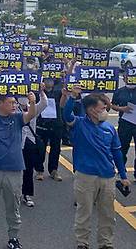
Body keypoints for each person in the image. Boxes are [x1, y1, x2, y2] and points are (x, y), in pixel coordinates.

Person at [64, 86, 130, 249]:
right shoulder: (79, 124)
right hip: (85, 176)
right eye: (103, 108)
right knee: (84, 212)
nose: (106, 110)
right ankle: (82, 243)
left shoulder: (109, 128)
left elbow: (117, 153)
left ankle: (106, 243)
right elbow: (66, 115)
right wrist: (72, 97)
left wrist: (123, 175)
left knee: (107, 214)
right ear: (92, 110)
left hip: (107, 177)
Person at [0, 91, 38, 249]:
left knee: (13, 206)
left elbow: (30, 115)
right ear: (0, 103)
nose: (14, 105)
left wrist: (32, 102)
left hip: (15, 169)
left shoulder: (17, 117)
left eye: (15, 103)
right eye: (11, 102)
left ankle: (13, 238)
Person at [19, 91, 48, 207]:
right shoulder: (12, 108)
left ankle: (26, 194)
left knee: (28, 169)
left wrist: (41, 91)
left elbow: (44, 103)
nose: (23, 98)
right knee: (13, 170)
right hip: (15, 142)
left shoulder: (33, 107)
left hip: (30, 141)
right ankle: (13, 193)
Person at [36, 78, 64, 181]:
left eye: (51, 80)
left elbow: (62, 104)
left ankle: (54, 170)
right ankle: (39, 170)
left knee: (56, 148)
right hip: (41, 124)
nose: (49, 82)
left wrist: (65, 94)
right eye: (46, 79)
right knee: (40, 148)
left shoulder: (59, 91)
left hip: (56, 124)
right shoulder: (36, 91)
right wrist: (39, 91)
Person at [110, 79, 136, 179]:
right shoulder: (119, 91)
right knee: (122, 148)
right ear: (124, 78)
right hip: (125, 123)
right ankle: (121, 170)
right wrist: (122, 109)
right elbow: (112, 105)